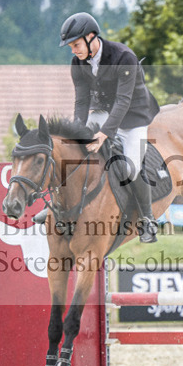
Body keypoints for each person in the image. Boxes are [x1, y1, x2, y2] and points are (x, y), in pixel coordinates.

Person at [59, 12, 160, 243]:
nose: (73, 51)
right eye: (71, 47)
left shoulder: (124, 57)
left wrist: (104, 134)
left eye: (76, 45)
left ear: (91, 36)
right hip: (104, 112)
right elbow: (82, 101)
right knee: (72, 150)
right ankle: (60, 204)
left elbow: (123, 101)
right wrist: (77, 132)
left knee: (131, 168)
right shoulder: (78, 62)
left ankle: (147, 219)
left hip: (134, 116)